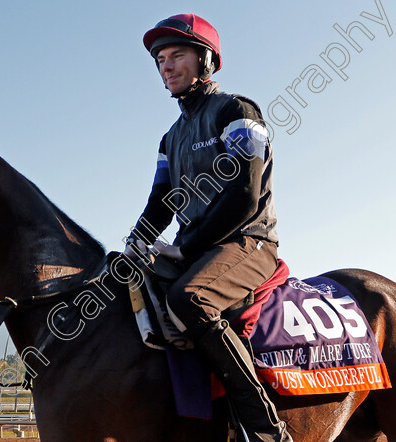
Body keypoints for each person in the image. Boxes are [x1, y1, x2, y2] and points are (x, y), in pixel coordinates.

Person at [124, 14, 291, 442]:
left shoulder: (238, 110)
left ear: (206, 61)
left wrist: (186, 246)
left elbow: (244, 195)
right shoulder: (170, 138)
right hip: (196, 249)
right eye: (160, 59)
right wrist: (135, 243)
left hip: (249, 243)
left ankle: (265, 427)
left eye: (177, 55)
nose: (166, 66)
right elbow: (162, 203)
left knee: (189, 297)